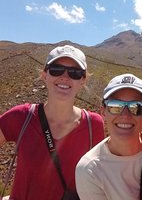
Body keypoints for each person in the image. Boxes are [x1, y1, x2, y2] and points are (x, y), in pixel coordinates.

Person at [0, 45, 105, 200]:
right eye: (56, 69)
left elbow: (100, 177)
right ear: (45, 75)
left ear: (83, 80)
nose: (65, 77)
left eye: (74, 73)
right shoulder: (21, 116)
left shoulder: (93, 125)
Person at [75, 73, 142, 200]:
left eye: (136, 107)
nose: (125, 115)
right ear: (103, 111)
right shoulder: (90, 170)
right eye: (115, 106)